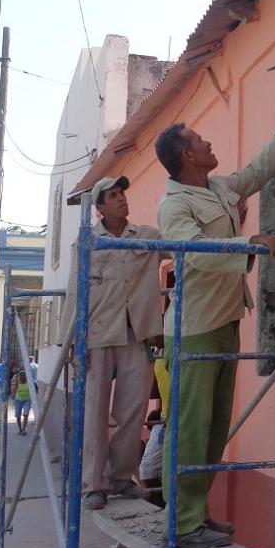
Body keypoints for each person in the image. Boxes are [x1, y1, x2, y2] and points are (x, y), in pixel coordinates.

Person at [153, 94, 275, 548]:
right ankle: (181, 523)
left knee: (214, 429)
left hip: (224, 322)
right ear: (187, 155)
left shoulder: (216, 188)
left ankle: (196, 513)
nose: (209, 143)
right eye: (200, 140)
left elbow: (255, 173)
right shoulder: (173, 206)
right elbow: (196, 254)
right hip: (193, 329)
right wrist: (252, 241)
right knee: (191, 428)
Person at [60, 175, 167, 512]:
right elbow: (75, 289)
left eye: (122, 193)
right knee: (94, 412)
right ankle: (93, 485)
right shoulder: (88, 240)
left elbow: (183, 245)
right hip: (97, 334)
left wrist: (226, 228)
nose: (122, 198)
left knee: (132, 411)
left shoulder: (147, 236)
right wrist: (71, 341)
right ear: (100, 208)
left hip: (137, 333)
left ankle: (121, 478)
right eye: (113, 195)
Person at [11, 369, 32, 435]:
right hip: (18, 400)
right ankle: (20, 429)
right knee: (18, 415)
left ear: (25, 377)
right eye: (20, 376)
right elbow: (14, 389)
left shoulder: (29, 382)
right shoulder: (17, 382)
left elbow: (33, 390)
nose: (21, 378)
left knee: (26, 414)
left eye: (23, 376)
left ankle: (24, 429)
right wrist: (13, 395)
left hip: (27, 400)